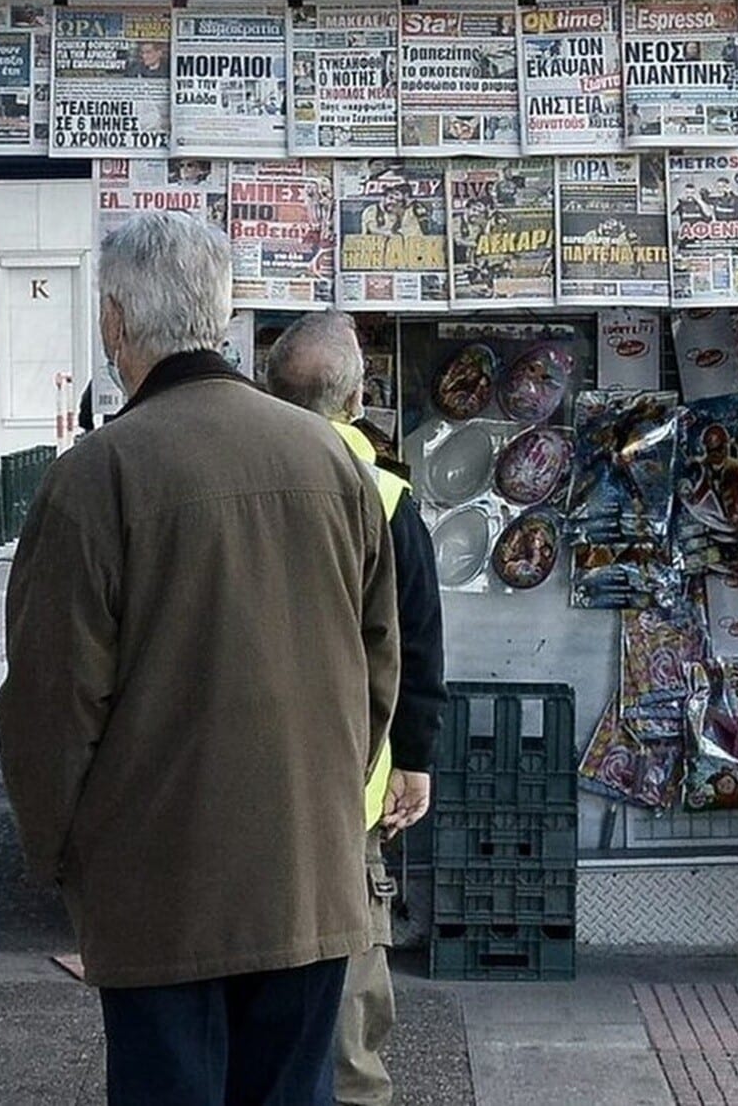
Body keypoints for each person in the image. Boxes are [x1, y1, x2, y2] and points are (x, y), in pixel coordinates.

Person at [0, 212, 400, 1106]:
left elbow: (52, 703)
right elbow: (378, 673)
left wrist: (57, 855)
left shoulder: (96, 476)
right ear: (220, 316)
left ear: (112, 321)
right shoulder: (333, 462)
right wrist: (328, 796)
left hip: (157, 883)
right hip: (308, 876)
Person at [267, 312, 446, 1106]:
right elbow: (416, 643)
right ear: (356, 394)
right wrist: (415, 758)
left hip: (245, 772)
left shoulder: (240, 471)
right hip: (350, 780)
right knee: (347, 959)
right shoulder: (387, 492)